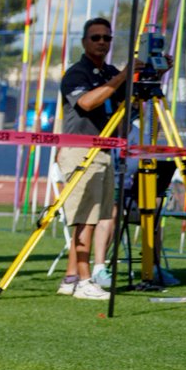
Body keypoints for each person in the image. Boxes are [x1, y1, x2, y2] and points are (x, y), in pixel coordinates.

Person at [54, 17, 129, 300]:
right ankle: (85, 280)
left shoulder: (109, 72)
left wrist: (146, 75)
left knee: (96, 216)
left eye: (107, 38)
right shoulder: (77, 73)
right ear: (84, 41)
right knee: (84, 217)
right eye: (96, 38)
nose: (102, 43)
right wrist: (122, 76)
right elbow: (86, 102)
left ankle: (71, 277)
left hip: (104, 150)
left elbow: (127, 100)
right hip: (80, 149)